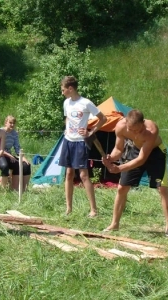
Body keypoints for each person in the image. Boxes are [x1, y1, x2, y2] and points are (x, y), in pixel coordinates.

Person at [102, 109, 168, 235]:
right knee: (121, 188)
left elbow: (141, 160)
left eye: (139, 130)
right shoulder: (120, 126)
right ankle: (114, 224)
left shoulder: (151, 130)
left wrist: (119, 168)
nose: (135, 133)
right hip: (136, 150)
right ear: (126, 123)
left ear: (143, 123)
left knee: (162, 188)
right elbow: (118, 149)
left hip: (156, 153)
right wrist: (110, 158)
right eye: (132, 130)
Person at [59, 76, 107, 217]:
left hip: (81, 142)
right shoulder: (66, 103)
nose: (62, 93)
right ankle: (68, 208)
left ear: (70, 88)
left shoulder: (86, 103)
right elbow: (67, 117)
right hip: (68, 141)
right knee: (68, 174)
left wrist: (91, 131)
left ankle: (93, 209)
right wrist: (66, 128)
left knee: (83, 175)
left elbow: (103, 118)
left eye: (63, 90)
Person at [1, 115, 31, 193]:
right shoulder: (0, 131)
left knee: (26, 165)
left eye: (14, 123)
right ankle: (14, 189)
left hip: (9, 155)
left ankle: (24, 189)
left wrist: (22, 157)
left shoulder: (14, 133)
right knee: (17, 164)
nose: (12, 125)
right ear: (5, 123)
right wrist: (10, 156)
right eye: (10, 123)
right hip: (1, 155)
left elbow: (17, 147)